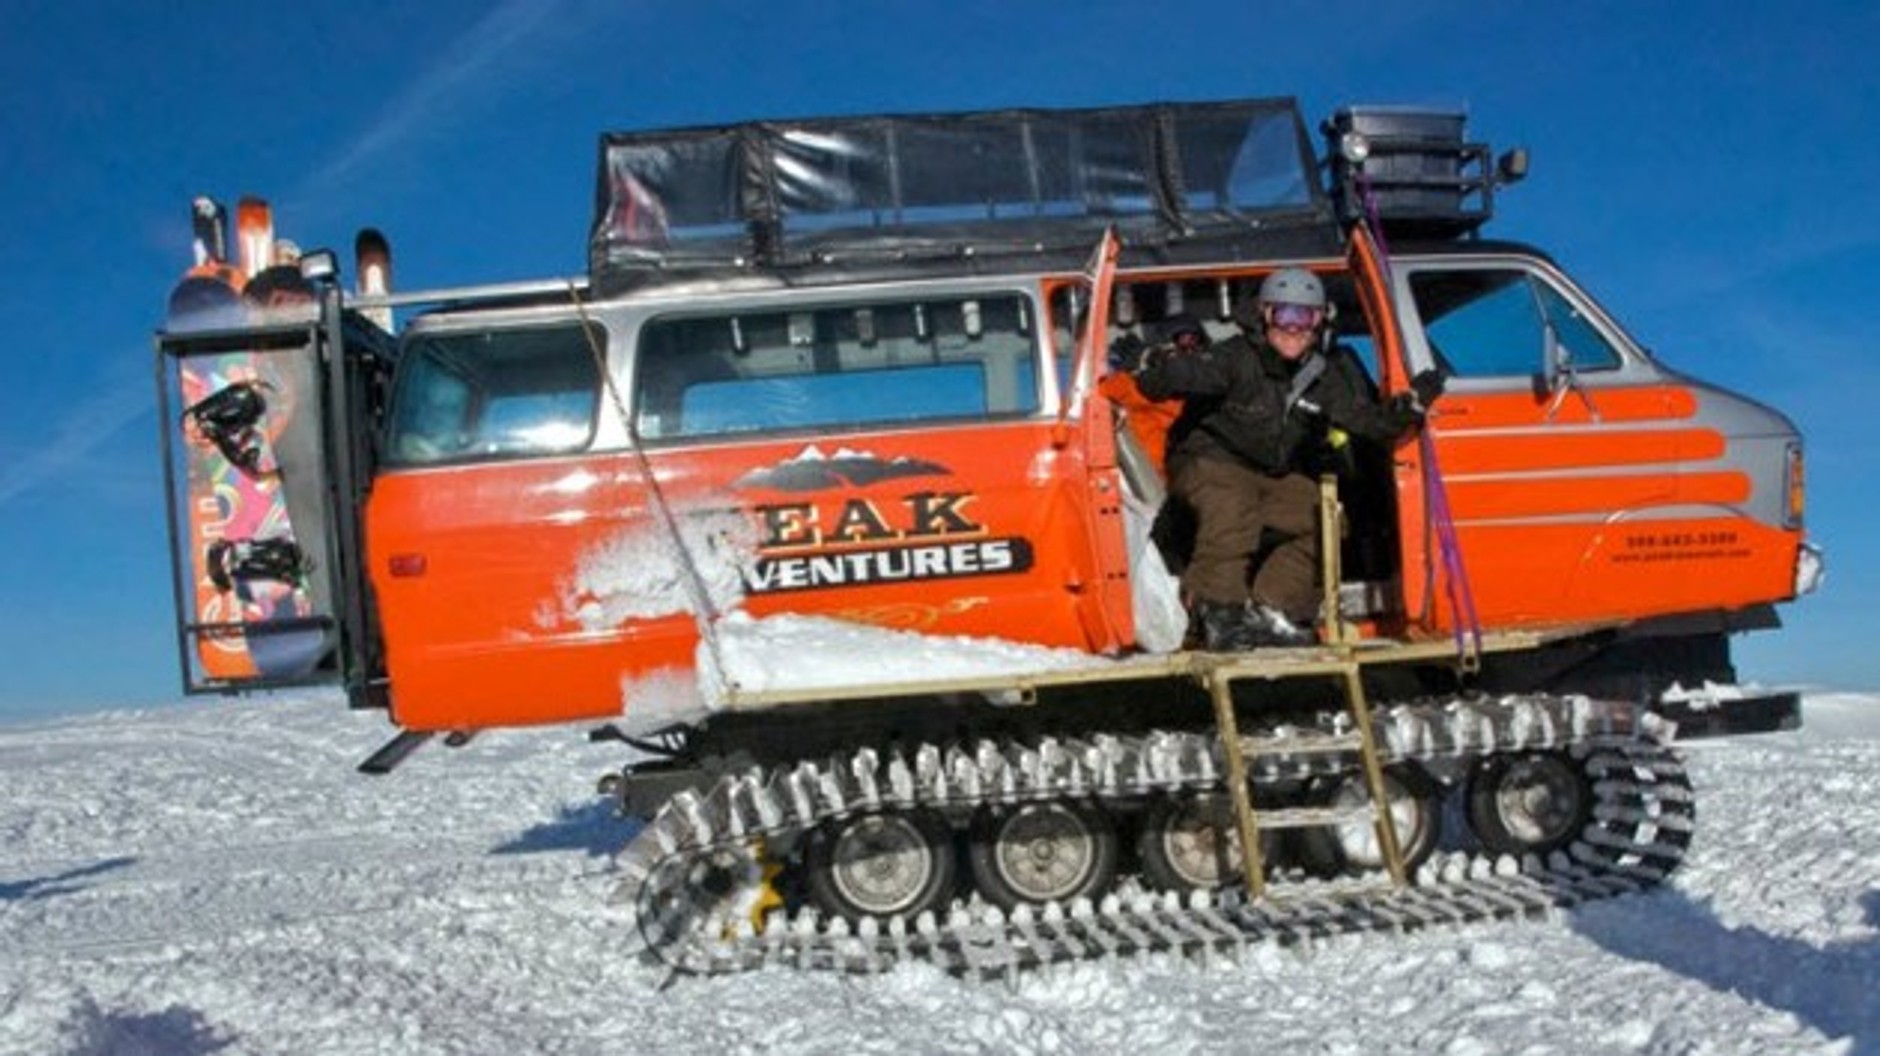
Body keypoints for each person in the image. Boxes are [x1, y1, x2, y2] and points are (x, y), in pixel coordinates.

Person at [1132, 268, 1441, 650]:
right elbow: (1177, 376)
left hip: (1267, 471)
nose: (1293, 329)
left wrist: (1410, 405)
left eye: (1305, 317)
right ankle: (1218, 614)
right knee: (1233, 506)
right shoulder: (1235, 358)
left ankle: (1272, 611)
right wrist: (1160, 370)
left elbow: (1365, 421)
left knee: (1321, 517)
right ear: (1264, 315)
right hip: (1207, 459)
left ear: (1319, 322)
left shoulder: (1321, 376)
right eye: (1284, 316)